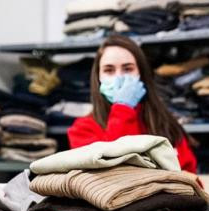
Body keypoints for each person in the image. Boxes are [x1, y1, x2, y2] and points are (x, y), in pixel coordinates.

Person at [67, 34, 198, 173]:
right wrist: (123, 109)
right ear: (98, 77)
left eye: (128, 69)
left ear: (141, 74)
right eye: (109, 70)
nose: (119, 77)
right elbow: (113, 173)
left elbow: (191, 178)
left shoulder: (164, 122)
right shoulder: (82, 130)